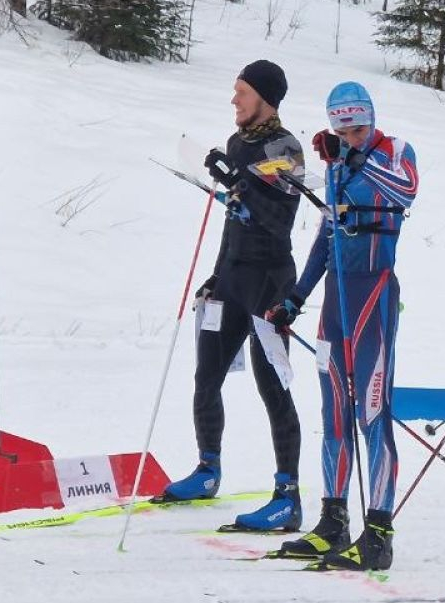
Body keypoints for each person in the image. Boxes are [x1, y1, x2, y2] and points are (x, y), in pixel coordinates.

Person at [271, 81, 418, 569]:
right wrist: (295, 297)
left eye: (357, 127)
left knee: (372, 414)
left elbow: (405, 190)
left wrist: (353, 157)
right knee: (333, 415)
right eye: (342, 129)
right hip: (337, 300)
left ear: (370, 119)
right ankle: (333, 522)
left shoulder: (395, 151)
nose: (351, 136)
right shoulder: (337, 165)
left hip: (374, 293)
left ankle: (378, 533)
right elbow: (325, 237)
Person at [157, 60, 307, 533]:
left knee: (272, 388)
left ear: (265, 96)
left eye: (241, 92)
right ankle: (207, 470)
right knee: (206, 377)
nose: (234, 100)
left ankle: (288, 497)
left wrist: (237, 183)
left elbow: (277, 217)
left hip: (270, 281)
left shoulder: (285, 147)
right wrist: (215, 276)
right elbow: (232, 216)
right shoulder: (239, 142)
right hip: (233, 278)